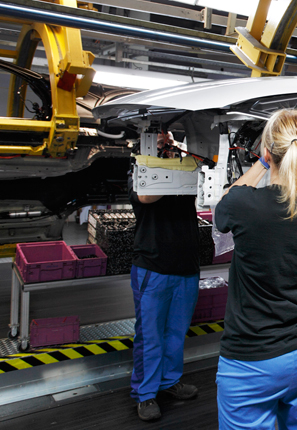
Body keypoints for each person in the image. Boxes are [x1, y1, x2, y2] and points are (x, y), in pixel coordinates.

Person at [214, 109, 297, 430]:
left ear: (267, 152)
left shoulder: (242, 205)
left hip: (251, 360)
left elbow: (225, 204)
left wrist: (262, 163)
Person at [129, 131, 201, 422]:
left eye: (169, 143)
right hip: (153, 267)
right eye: (160, 144)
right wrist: (175, 170)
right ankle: (145, 393)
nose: (167, 148)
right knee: (150, 336)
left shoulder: (185, 169)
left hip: (187, 266)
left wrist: (190, 163)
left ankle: (169, 381)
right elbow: (146, 196)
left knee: (176, 333)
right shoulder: (139, 172)